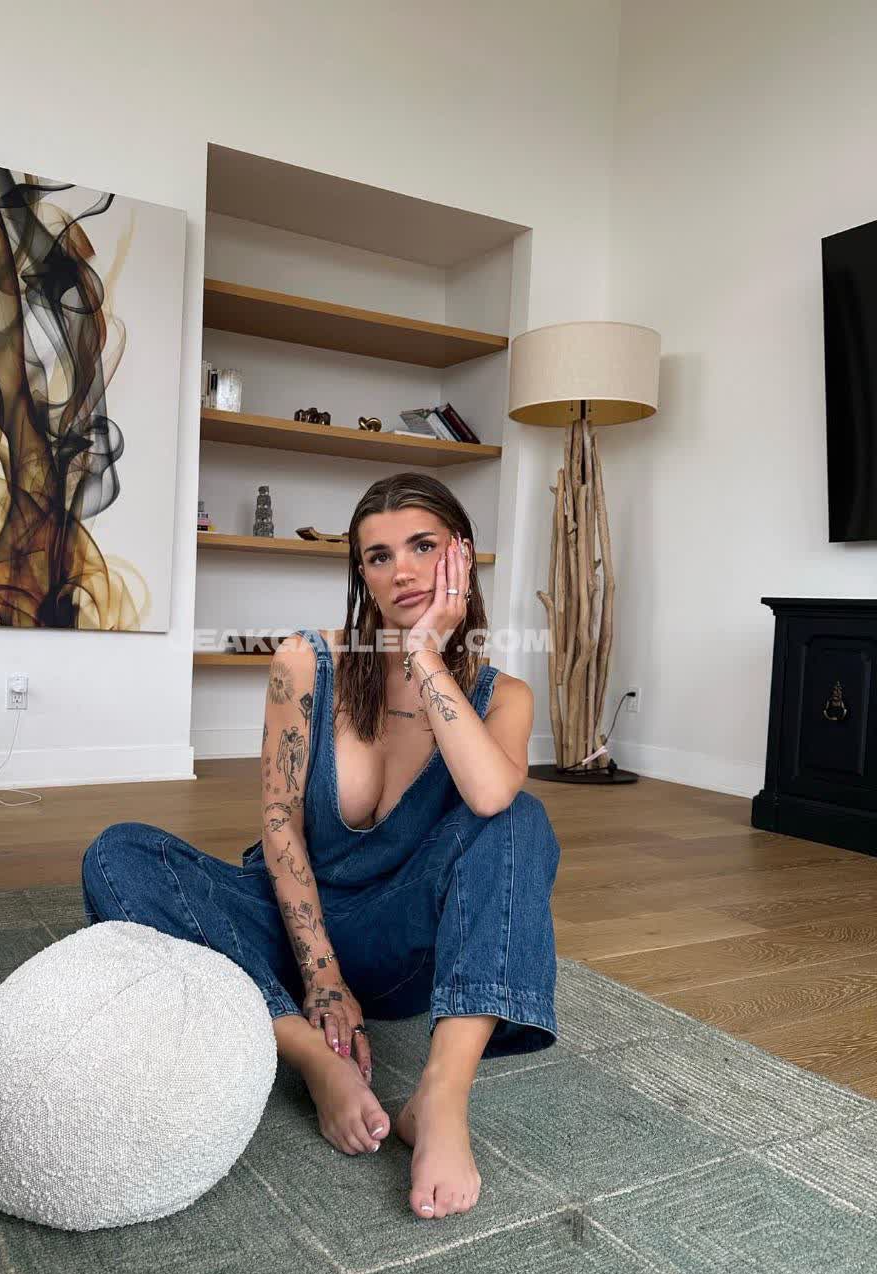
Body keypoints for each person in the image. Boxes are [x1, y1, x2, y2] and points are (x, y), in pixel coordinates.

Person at [81, 472, 562, 1222]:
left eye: (423, 546)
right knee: (119, 854)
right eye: (377, 556)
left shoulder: (505, 697)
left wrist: (427, 656)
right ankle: (310, 1055)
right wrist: (322, 976)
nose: (401, 571)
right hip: (285, 926)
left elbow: (490, 798)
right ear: (360, 574)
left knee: (519, 817)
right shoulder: (307, 663)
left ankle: (440, 1096)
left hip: (400, 945)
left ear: (462, 556)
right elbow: (279, 821)